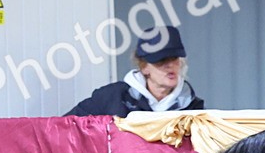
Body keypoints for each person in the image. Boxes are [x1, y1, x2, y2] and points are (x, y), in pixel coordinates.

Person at [66, 26, 205, 116]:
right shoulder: (112, 98)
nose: (170, 65)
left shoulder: (194, 108)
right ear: (144, 67)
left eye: (174, 58)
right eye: (161, 60)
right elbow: (66, 128)